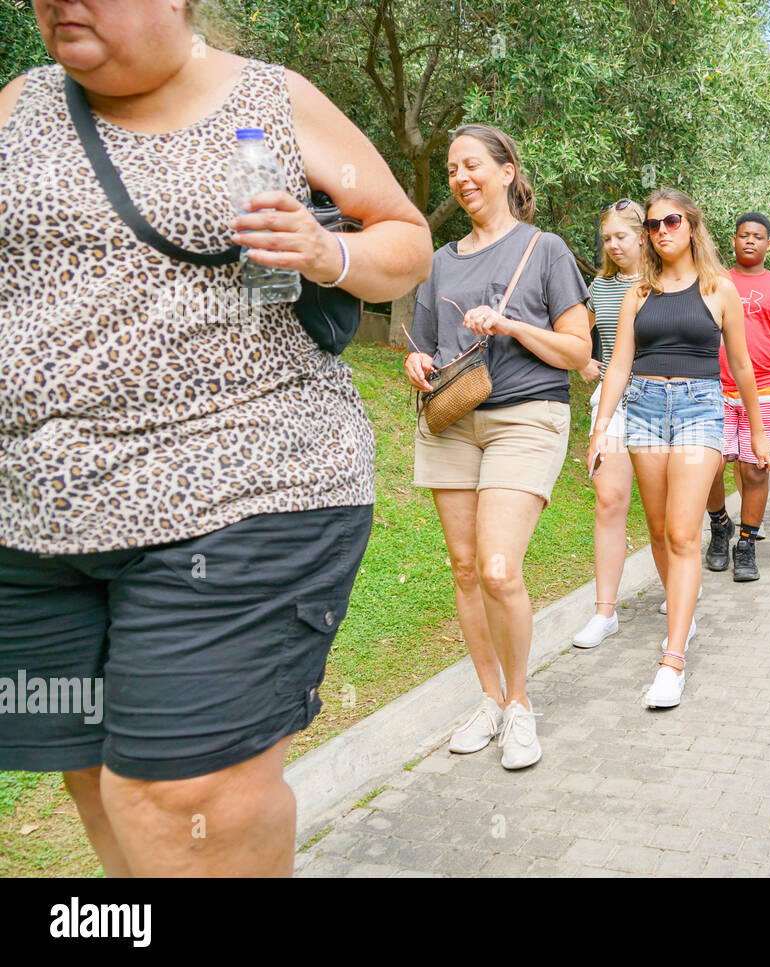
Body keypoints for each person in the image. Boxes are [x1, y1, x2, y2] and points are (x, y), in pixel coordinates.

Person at [0, 1, 432, 877]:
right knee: (95, 774)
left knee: (175, 794)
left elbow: (407, 238)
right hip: (35, 519)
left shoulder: (274, 100)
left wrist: (324, 252)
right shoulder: (22, 104)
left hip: (242, 491)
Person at [404, 124, 590, 769]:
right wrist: (415, 362)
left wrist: (508, 322)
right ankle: (488, 699)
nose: (461, 178)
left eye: (474, 165)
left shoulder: (545, 250)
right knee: (462, 568)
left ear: (508, 172)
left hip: (526, 417)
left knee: (497, 569)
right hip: (453, 420)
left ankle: (520, 708)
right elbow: (423, 343)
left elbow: (577, 352)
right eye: (453, 169)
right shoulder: (441, 259)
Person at [588, 188, 770, 709]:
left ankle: (672, 660)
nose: (661, 231)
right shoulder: (639, 292)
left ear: (692, 226)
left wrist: (756, 432)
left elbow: (740, 367)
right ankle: (680, 618)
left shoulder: (719, 288)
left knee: (684, 531)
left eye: (671, 222)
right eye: (652, 225)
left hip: (699, 409)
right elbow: (619, 362)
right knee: (658, 529)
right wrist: (602, 428)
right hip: (643, 409)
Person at [703, 212, 770, 582]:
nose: (749, 241)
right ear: (733, 240)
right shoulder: (713, 282)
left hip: (768, 390)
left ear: (768, 244)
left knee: (755, 469)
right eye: (743, 235)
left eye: (757, 236)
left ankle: (745, 544)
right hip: (714, 388)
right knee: (709, 467)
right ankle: (719, 525)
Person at [571, 199, 645, 648]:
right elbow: (589, 335)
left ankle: (680, 593)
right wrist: (584, 361)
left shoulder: (664, 282)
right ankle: (605, 612)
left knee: (664, 508)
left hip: (660, 397)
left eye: (621, 236)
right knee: (609, 500)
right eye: (607, 239)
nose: (613, 245)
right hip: (612, 400)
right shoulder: (601, 284)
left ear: (642, 235)